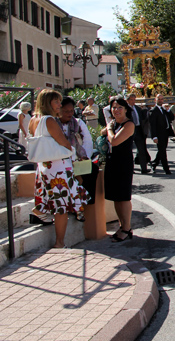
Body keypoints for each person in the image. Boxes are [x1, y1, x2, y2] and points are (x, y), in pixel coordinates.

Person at [28, 89, 88, 248]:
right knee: (61, 206)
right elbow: (63, 142)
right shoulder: (49, 120)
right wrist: (71, 151)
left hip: (44, 165)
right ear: (47, 102)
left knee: (53, 198)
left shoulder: (33, 120)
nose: (59, 105)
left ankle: (40, 209)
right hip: (58, 166)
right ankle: (59, 242)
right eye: (56, 102)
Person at [101, 97, 136, 242]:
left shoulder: (129, 124)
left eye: (119, 107)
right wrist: (109, 127)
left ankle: (127, 228)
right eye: (114, 108)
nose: (116, 110)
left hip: (123, 162)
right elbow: (103, 133)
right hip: (112, 161)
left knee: (123, 196)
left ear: (126, 109)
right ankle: (122, 226)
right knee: (116, 197)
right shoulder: (114, 123)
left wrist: (109, 128)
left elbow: (114, 141)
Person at [59, 97, 97, 219]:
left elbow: (87, 141)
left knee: (91, 171)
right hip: (62, 161)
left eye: (71, 111)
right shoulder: (54, 124)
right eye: (66, 111)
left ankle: (84, 204)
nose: (69, 114)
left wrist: (84, 156)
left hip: (78, 159)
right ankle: (73, 207)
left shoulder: (78, 123)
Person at [149, 94, 175, 175]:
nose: (160, 100)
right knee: (163, 151)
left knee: (161, 150)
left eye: (162, 99)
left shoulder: (164, 109)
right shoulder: (153, 111)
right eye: (159, 99)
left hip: (166, 133)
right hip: (159, 134)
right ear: (155, 100)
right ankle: (166, 169)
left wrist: (168, 110)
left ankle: (154, 163)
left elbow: (172, 118)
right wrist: (154, 136)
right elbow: (152, 125)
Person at [127, 93, 151, 174]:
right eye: (131, 100)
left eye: (134, 100)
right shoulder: (125, 109)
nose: (133, 101)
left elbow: (143, 118)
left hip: (138, 130)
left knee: (141, 150)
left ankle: (144, 168)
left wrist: (145, 110)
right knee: (129, 151)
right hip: (128, 131)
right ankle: (130, 168)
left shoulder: (137, 108)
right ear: (127, 100)